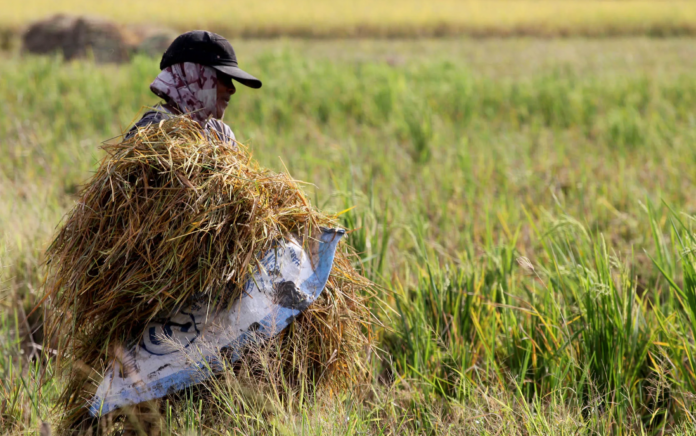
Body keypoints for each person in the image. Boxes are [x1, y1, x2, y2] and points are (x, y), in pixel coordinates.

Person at [126, 30, 262, 143]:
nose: (232, 89)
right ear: (194, 76)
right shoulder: (153, 131)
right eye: (223, 77)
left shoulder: (221, 135)